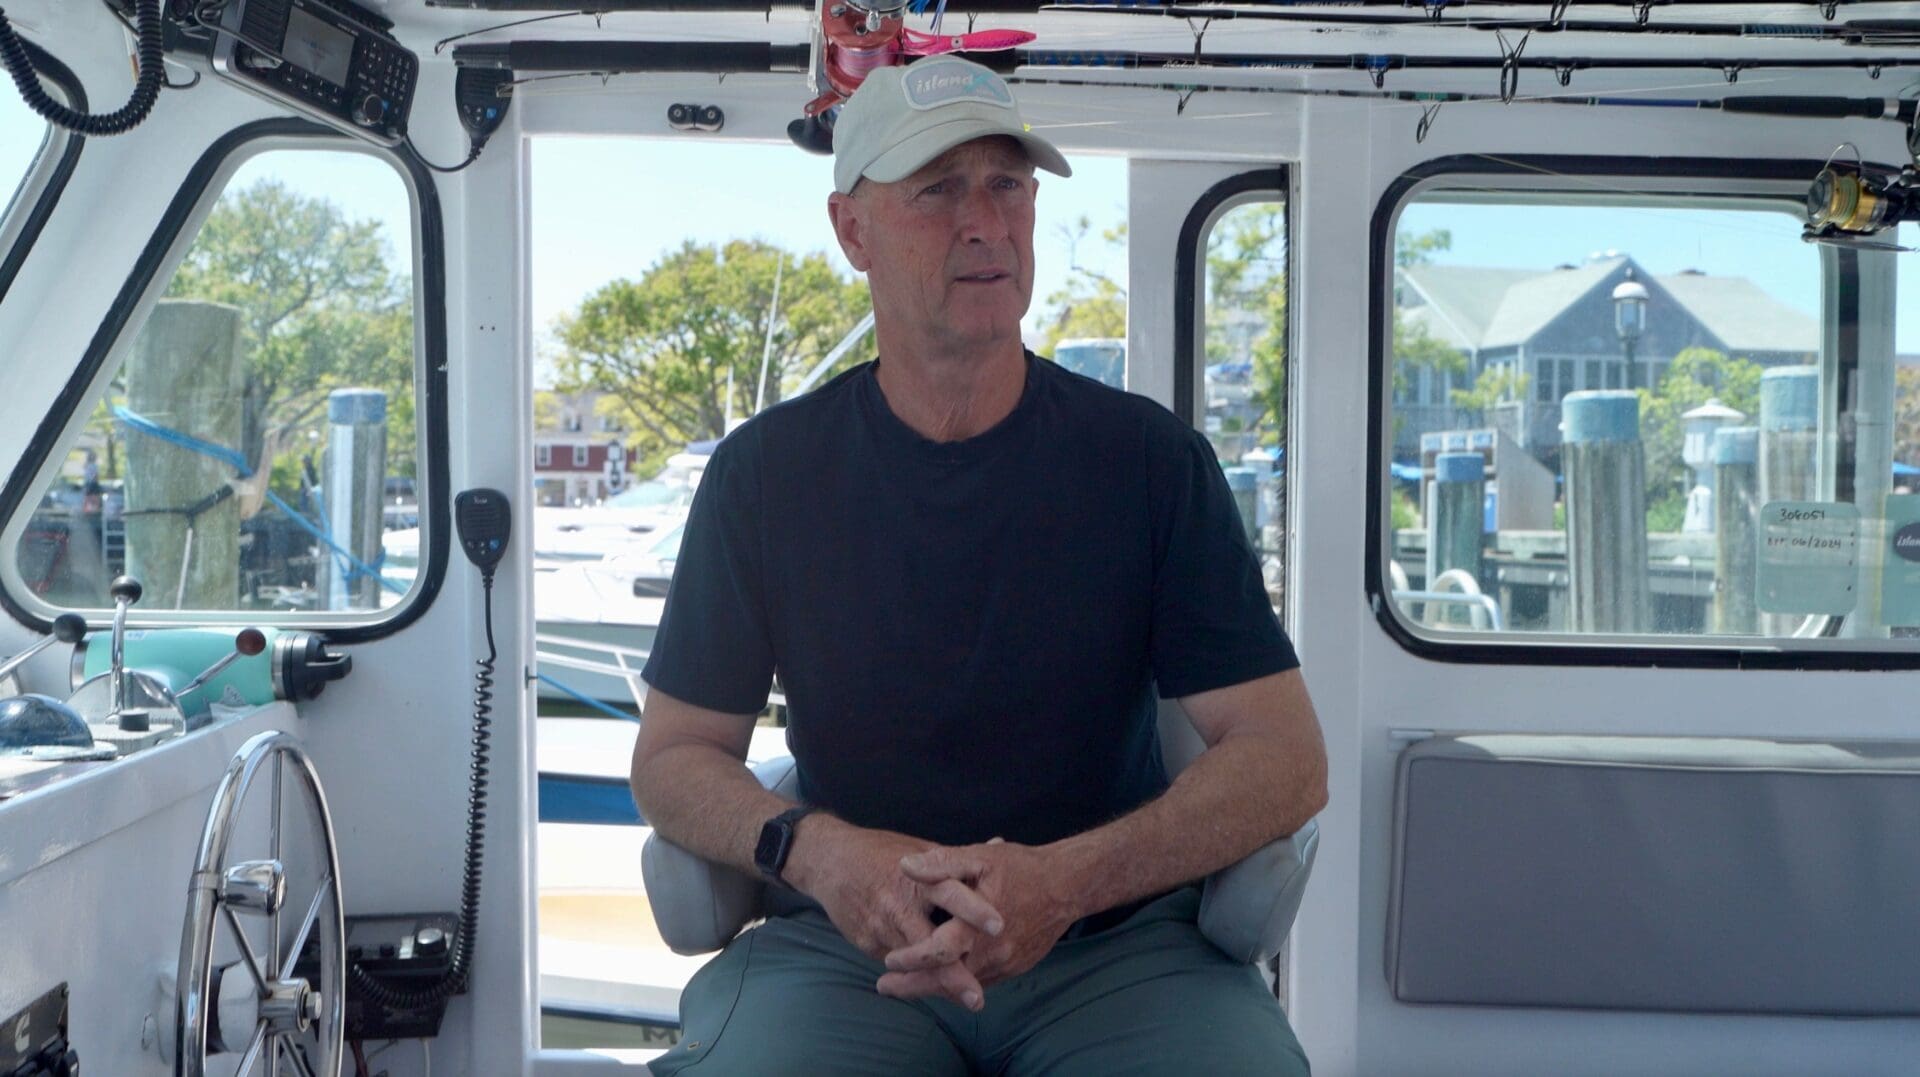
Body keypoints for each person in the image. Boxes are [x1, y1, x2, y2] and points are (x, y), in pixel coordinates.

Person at [631, 54, 1328, 1076]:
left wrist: (1064, 883)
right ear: (851, 231)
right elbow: (674, 756)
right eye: (937, 189)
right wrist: (821, 854)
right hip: (845, 948)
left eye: (1008, 184)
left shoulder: (1149, 465)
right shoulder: (763, 477)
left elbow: (1285, 756)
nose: (985, 222)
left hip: (1115, 947)